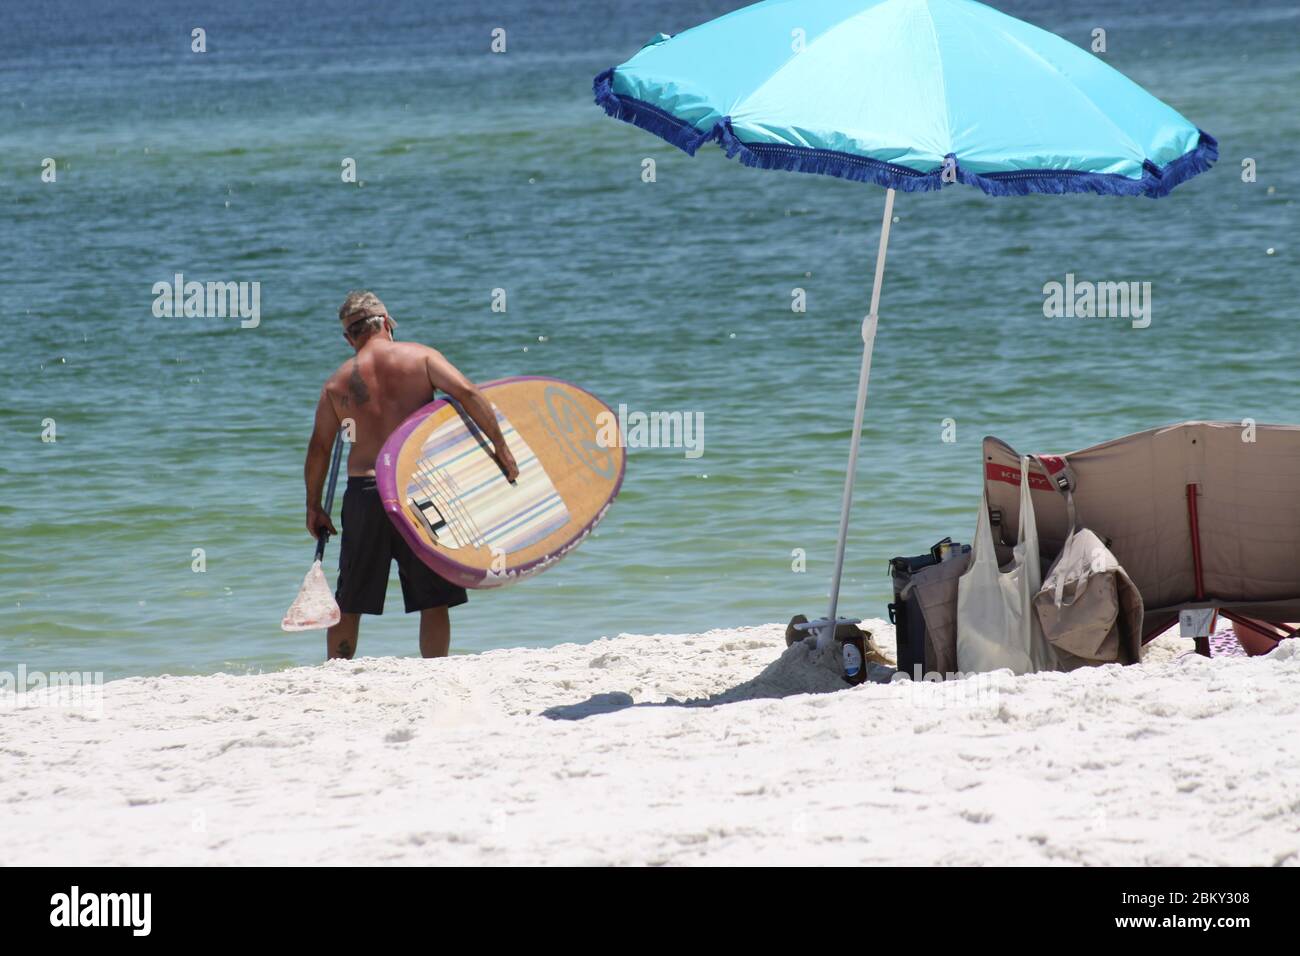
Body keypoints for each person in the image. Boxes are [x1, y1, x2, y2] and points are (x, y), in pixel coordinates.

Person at [303, 291, 518, 660]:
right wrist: (500, 446)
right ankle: (435, 669)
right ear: (386, 323)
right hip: (415, 489)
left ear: (348, 337)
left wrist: (313, 505)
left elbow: (320, 448)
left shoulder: (336, 385)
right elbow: (467, 393)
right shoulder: (421, 357)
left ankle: (336, 670)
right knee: (433, 597)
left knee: (350, 599)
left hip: (365, 494)